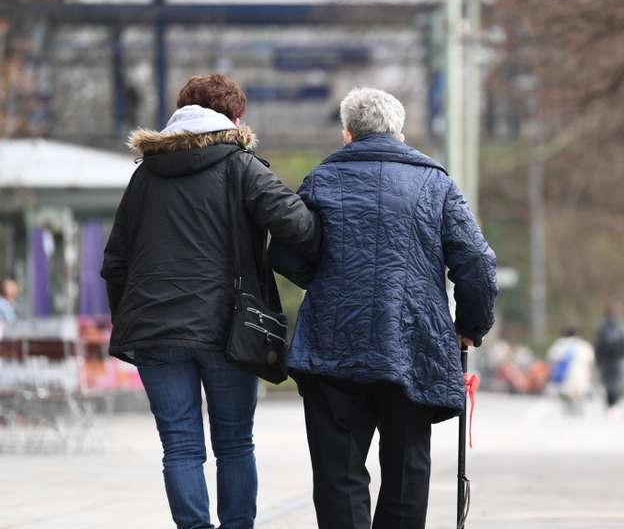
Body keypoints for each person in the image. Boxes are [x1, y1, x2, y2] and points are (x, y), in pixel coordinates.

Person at [272, 87, 498, 529]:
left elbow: (285, 253)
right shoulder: (436, 184)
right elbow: (476, 261)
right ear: (400, 132)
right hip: (413, 346)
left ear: (347, 134)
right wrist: (470, 325)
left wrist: (328, 281)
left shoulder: (320, 181)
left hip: (333, 347)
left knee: (339, 476)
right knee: (407, 472)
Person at [101, 74, 320, 529]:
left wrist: (128, 319)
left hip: (155, 330)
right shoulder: (242, 167)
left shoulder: (145, 176)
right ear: (235, 118)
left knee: (180, 445)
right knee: (235, 443)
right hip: (229, 328)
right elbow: (299, 226)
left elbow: (115, 261)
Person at [546, 327, 595, 415]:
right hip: (581, 376)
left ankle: (568, 410)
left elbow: (551, 359)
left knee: (566, 394)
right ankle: (578, 409)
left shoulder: (559, 344)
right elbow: (590, 360)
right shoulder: (584, 345)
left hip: (564, 377)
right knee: (579, 394)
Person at [594, 306, 624, 415]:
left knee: (607, 382)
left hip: (605, 360)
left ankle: (609, 405)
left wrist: (598, 359)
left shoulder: (601, 325)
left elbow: (598, 343)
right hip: (619, 359)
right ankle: (615, 405)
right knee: (617, 382)